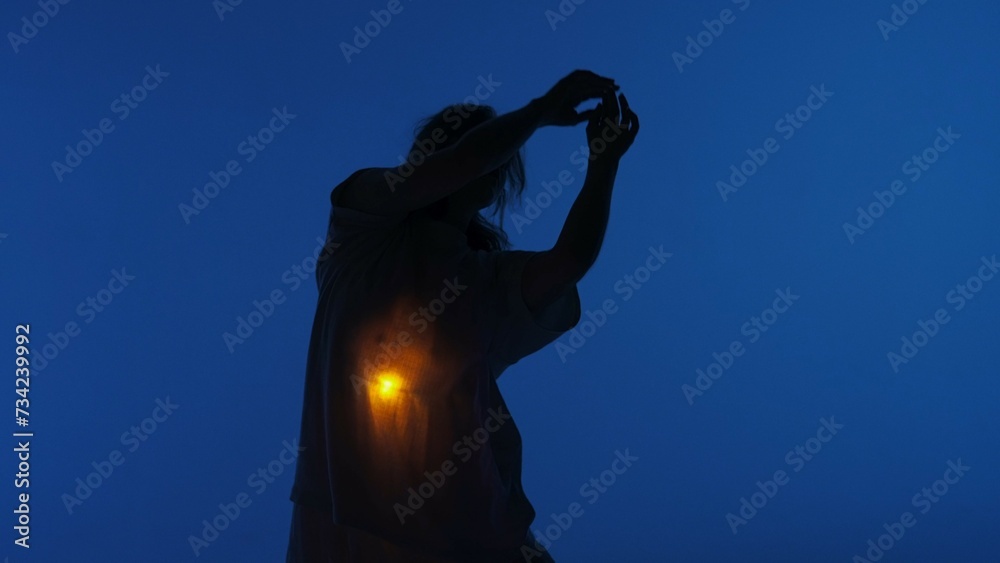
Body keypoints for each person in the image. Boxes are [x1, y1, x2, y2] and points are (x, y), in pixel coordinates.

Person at [285, 69, 639, 562]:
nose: (493, 164)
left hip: (473, 530)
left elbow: (568, 262)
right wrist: (540, 108)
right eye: (484, 150)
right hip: (351, 520)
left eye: (500, 160)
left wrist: (603, 164)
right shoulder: (361, 228)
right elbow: (465, 161)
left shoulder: (487, 281)